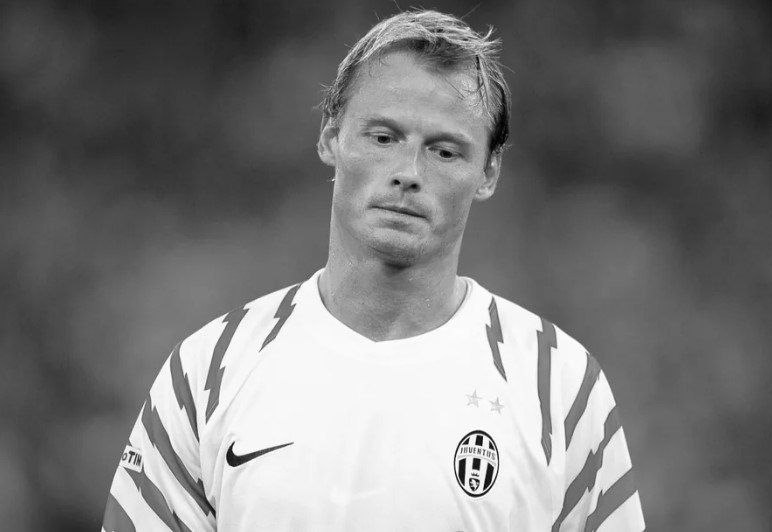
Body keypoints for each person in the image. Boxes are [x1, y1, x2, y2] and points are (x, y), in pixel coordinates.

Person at [101, 9, 645, 531]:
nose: (408, 172)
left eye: (445, 152)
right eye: (384, 138)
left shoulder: (560, 388)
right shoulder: (209, 371)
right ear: (330, 136)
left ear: (489, 172)